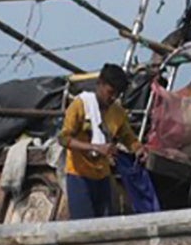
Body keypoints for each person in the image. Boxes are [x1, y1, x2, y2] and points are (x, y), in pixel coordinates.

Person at [59, 63, 141, 219]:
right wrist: (95, 147)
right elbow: (63, 139)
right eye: (110, 92)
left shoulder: (118, 112)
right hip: (79, 176)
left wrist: (139, 149)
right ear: (100, 84)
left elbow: (129, 138)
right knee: (83, 227)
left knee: (103, 225)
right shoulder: (80, 105)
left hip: (103, 177)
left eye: (116, 95)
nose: (112, 98)